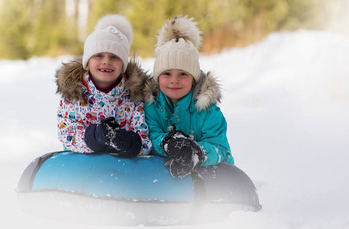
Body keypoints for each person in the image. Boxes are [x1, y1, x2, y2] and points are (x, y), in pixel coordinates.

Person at [144, 15, 234, 178]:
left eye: (183, 74)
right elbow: (151, 135)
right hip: (165, 178)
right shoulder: (152, 108)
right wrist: (167, 143)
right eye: (167, 73)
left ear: (194, 79)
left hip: (211, 179)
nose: (174, 80)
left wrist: (197, 152)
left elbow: (220, 148)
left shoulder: (208, 112)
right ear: (157, 78)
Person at [55, 14, 152, 157]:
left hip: (122, 170)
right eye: (98, 55)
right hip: (84, 169)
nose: (106, 61)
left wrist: (131, 143)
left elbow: (145, 138)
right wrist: (92, 137)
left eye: (114, 57)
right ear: (87, 63)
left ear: (123, 66)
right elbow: (67, 133)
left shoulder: (134, 98)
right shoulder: (74, 95)